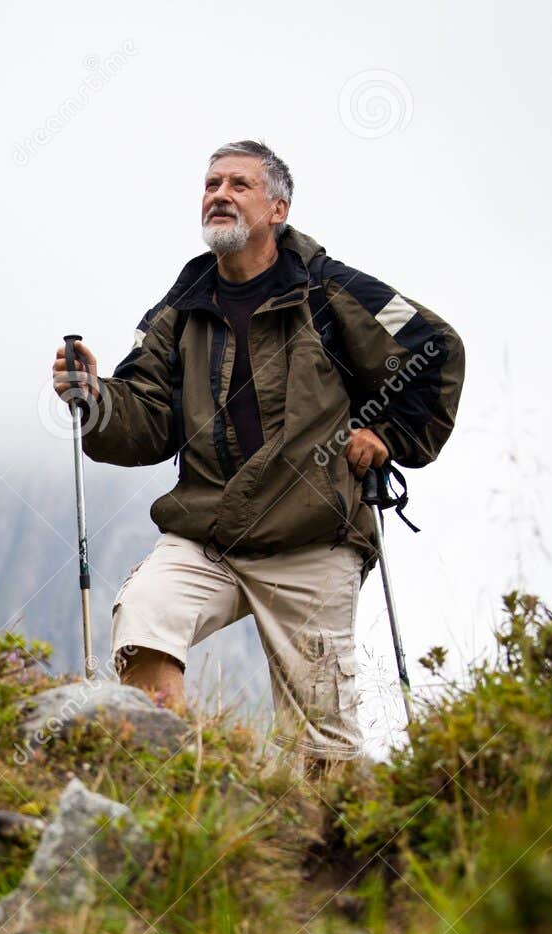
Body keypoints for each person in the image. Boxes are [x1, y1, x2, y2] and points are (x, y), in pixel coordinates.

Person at [50, 140, 463, 775]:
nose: (218, 194)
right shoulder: (178, 309)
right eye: (211, 184)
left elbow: (434, 346)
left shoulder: (334, 289)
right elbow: (148, 419)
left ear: (278, 208)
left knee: (323, 748)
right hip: (208, 534)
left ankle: (327, 859)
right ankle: (185, 785)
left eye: (238, 184)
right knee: (144, 616)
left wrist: (387, 432)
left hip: (313, 537)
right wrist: (96, 398)